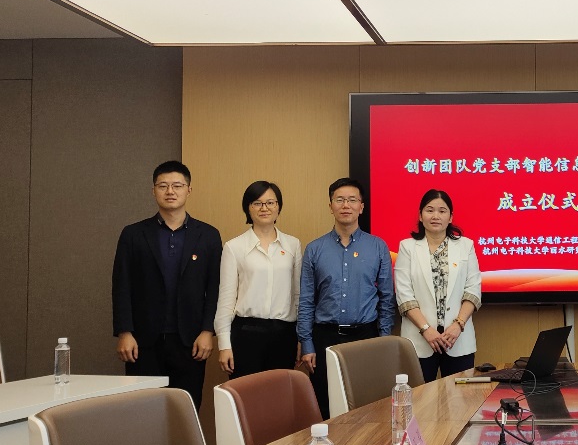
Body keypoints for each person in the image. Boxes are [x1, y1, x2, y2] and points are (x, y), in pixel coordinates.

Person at [112, 160, 222, 409]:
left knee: (186, 409)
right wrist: (125, 332)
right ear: (153, 190)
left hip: (191, 341)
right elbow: (121, 286)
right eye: (163, 186)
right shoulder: (133, 234)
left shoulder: (208, 235)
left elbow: (215, 287)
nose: (170, 191)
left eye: (177, 185)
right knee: (142, 410)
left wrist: (208, 331)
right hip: (142, 341)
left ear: (189, 190)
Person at [297, 177, 396, 418]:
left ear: (361, 207)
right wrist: (307, 344)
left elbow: (386, 299)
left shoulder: (378, 247)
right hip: (325, 337)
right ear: (330, 206)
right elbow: (306, 300)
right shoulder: (314, 249)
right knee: (326, 407)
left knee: (367, 407)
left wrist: (383, 341)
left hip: (365, 336)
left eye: (352, 200)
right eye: (339, 200)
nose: (346, 205)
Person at [214, 180, 303, 379]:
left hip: (284, 335)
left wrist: (301, 338)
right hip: (246, 334)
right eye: (257, 203)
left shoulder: (293, 245)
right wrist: (224, 345)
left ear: (278, 206)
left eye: (270, 202)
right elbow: (226, 299)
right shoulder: (234, 247)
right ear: (248, 207)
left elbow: (298, 295)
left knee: (280, 393)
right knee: (246, 394)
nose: (264, 208)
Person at [394, 189, 482, 383]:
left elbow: (473, 290)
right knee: (419, 399)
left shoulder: (466, 246)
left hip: (458, 339)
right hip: (419, 341)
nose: (435, 216)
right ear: (420, 215)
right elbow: (404, 295)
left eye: (442, 211)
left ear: (450, 217)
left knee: (460, 398)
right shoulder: (407, 247)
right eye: (430, 210)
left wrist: (458, 324)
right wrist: (426, 329)